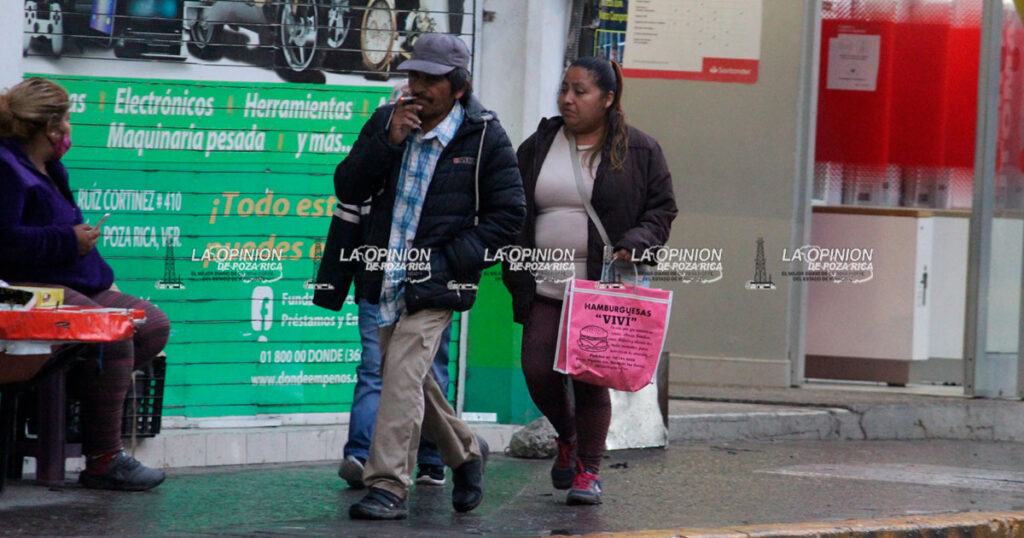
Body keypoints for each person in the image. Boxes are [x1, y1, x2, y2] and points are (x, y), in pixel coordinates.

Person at [334, 33, 525, 520]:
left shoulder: (484, 136)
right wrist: (387, 141)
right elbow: (349, 185)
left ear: (458, 86)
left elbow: (509, 214)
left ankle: (387, 484)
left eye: (430, 79)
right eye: (413, 75)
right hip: (384, 275)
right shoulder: (387, 120)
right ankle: (465, 452)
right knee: (413, 380)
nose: (416, 86)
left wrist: (450, 261)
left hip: (439, 282)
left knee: (398, 374)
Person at [503, 56, 677, 505]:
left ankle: (588, 472)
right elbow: (513, 205)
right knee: (537, 372)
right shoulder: (539, 145)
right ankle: (568, 436)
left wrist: (637, 240)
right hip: (544, 282)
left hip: (601, 288)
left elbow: (662, 209)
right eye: (564, 89)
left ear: (608, 98)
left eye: (580, 91)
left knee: (589, 380)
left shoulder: (639, 150)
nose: (567, 99)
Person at [0, 77, 168, 491]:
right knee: (108, 328)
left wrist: (78, 241)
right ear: (52, 128)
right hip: (22, 287)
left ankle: (80, 402)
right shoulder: (6, 168)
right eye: (68, 119)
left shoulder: (50, 167)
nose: (71, 128)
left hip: (68, 280)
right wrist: (68, 240)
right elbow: (4, 240)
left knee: (151, 322)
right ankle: (103, 458)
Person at [337, 298, 452, 488]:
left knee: (382, 373)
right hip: (397, 287)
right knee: (428, 371)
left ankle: (362, 455)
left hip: (428, 291)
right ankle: (430, 459)